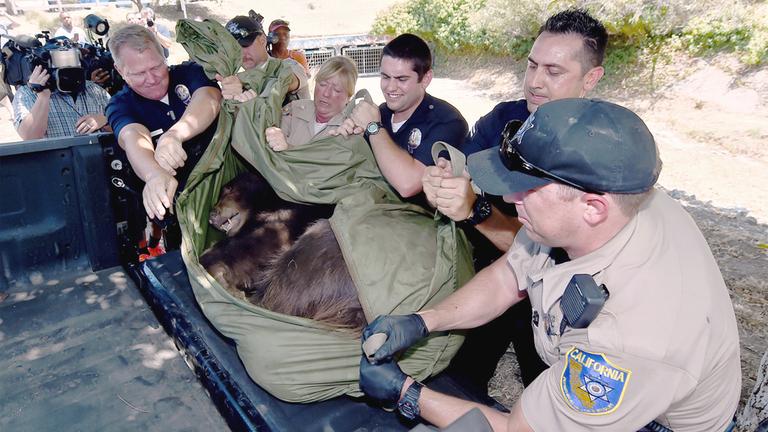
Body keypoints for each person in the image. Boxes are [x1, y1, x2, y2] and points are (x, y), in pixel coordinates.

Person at [358, 98, 741, 432]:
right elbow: (510, 276)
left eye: (527, 187)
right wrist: (425, 321)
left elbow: (519, 428)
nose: (509, 196)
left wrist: (405, 393)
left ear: (593, 208)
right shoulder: (599, 206)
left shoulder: (629, 340)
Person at [422, 9, 608, 390]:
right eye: (532, 65)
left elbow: (544, 258)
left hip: (556, 299)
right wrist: (443, 176)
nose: (535, 83)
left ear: (591, 78)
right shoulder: (504, 118)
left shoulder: (602, 155)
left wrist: (475, 209)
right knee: (460, 381)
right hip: (490, 277)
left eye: (554, 72)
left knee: (549, 396)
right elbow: (463, 164)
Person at [106, 24, 222, 227]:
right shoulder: (121, 104)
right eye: (139, 73)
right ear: (120, 71)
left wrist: (174, 135)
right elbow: (133, 136)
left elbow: (209, 98)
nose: (151, 79)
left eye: (156, 67)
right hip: (183, 208)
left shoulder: (189, 73)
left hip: (225, 185)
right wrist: (153, 175)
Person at [331, 33, 468, 199]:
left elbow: (407, 185)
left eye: (401, 79)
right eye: (385, 77)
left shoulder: (448, 122)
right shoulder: (381, 113)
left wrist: (373, 128)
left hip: (417, 219)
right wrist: (350, 138)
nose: (390, 87)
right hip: (369, 205)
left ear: (425, 79)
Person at [265, 56, 357, 151]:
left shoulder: (350, 128)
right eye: (322, 84)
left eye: (336, 90)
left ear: (349, 97)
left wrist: (288, 149)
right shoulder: (294, 109)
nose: (326, 93)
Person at [217, 14, 309, 103]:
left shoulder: (290, 66)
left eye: (245, 44)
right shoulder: (237, 85)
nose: (241, 53)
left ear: (263, 40)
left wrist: (242, 80)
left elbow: (284, 81)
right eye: (234, 49)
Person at [12, 64, 111, 139]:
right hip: (56, 163)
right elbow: (30, 136)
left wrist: (105, 120)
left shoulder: (93, 89)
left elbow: (124, 127)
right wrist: (43, 96)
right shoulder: (26, 93)